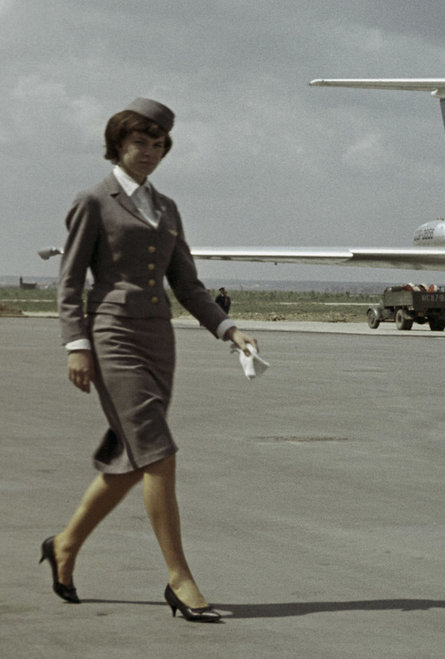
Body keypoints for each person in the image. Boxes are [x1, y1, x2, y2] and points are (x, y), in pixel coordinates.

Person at [46, 98, 257, 623]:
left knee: (132, 458)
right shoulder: (93, 201)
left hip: (159, 341)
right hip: (111, 335)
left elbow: (186, 283)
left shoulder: (167, 208)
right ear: (118, 143)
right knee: (158, 454)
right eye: (141, 141)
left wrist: (228, 328)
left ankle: (65, 545)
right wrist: (77, 344)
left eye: (159, 144)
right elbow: (70, 281)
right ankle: (180, 579)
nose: (151, 152)